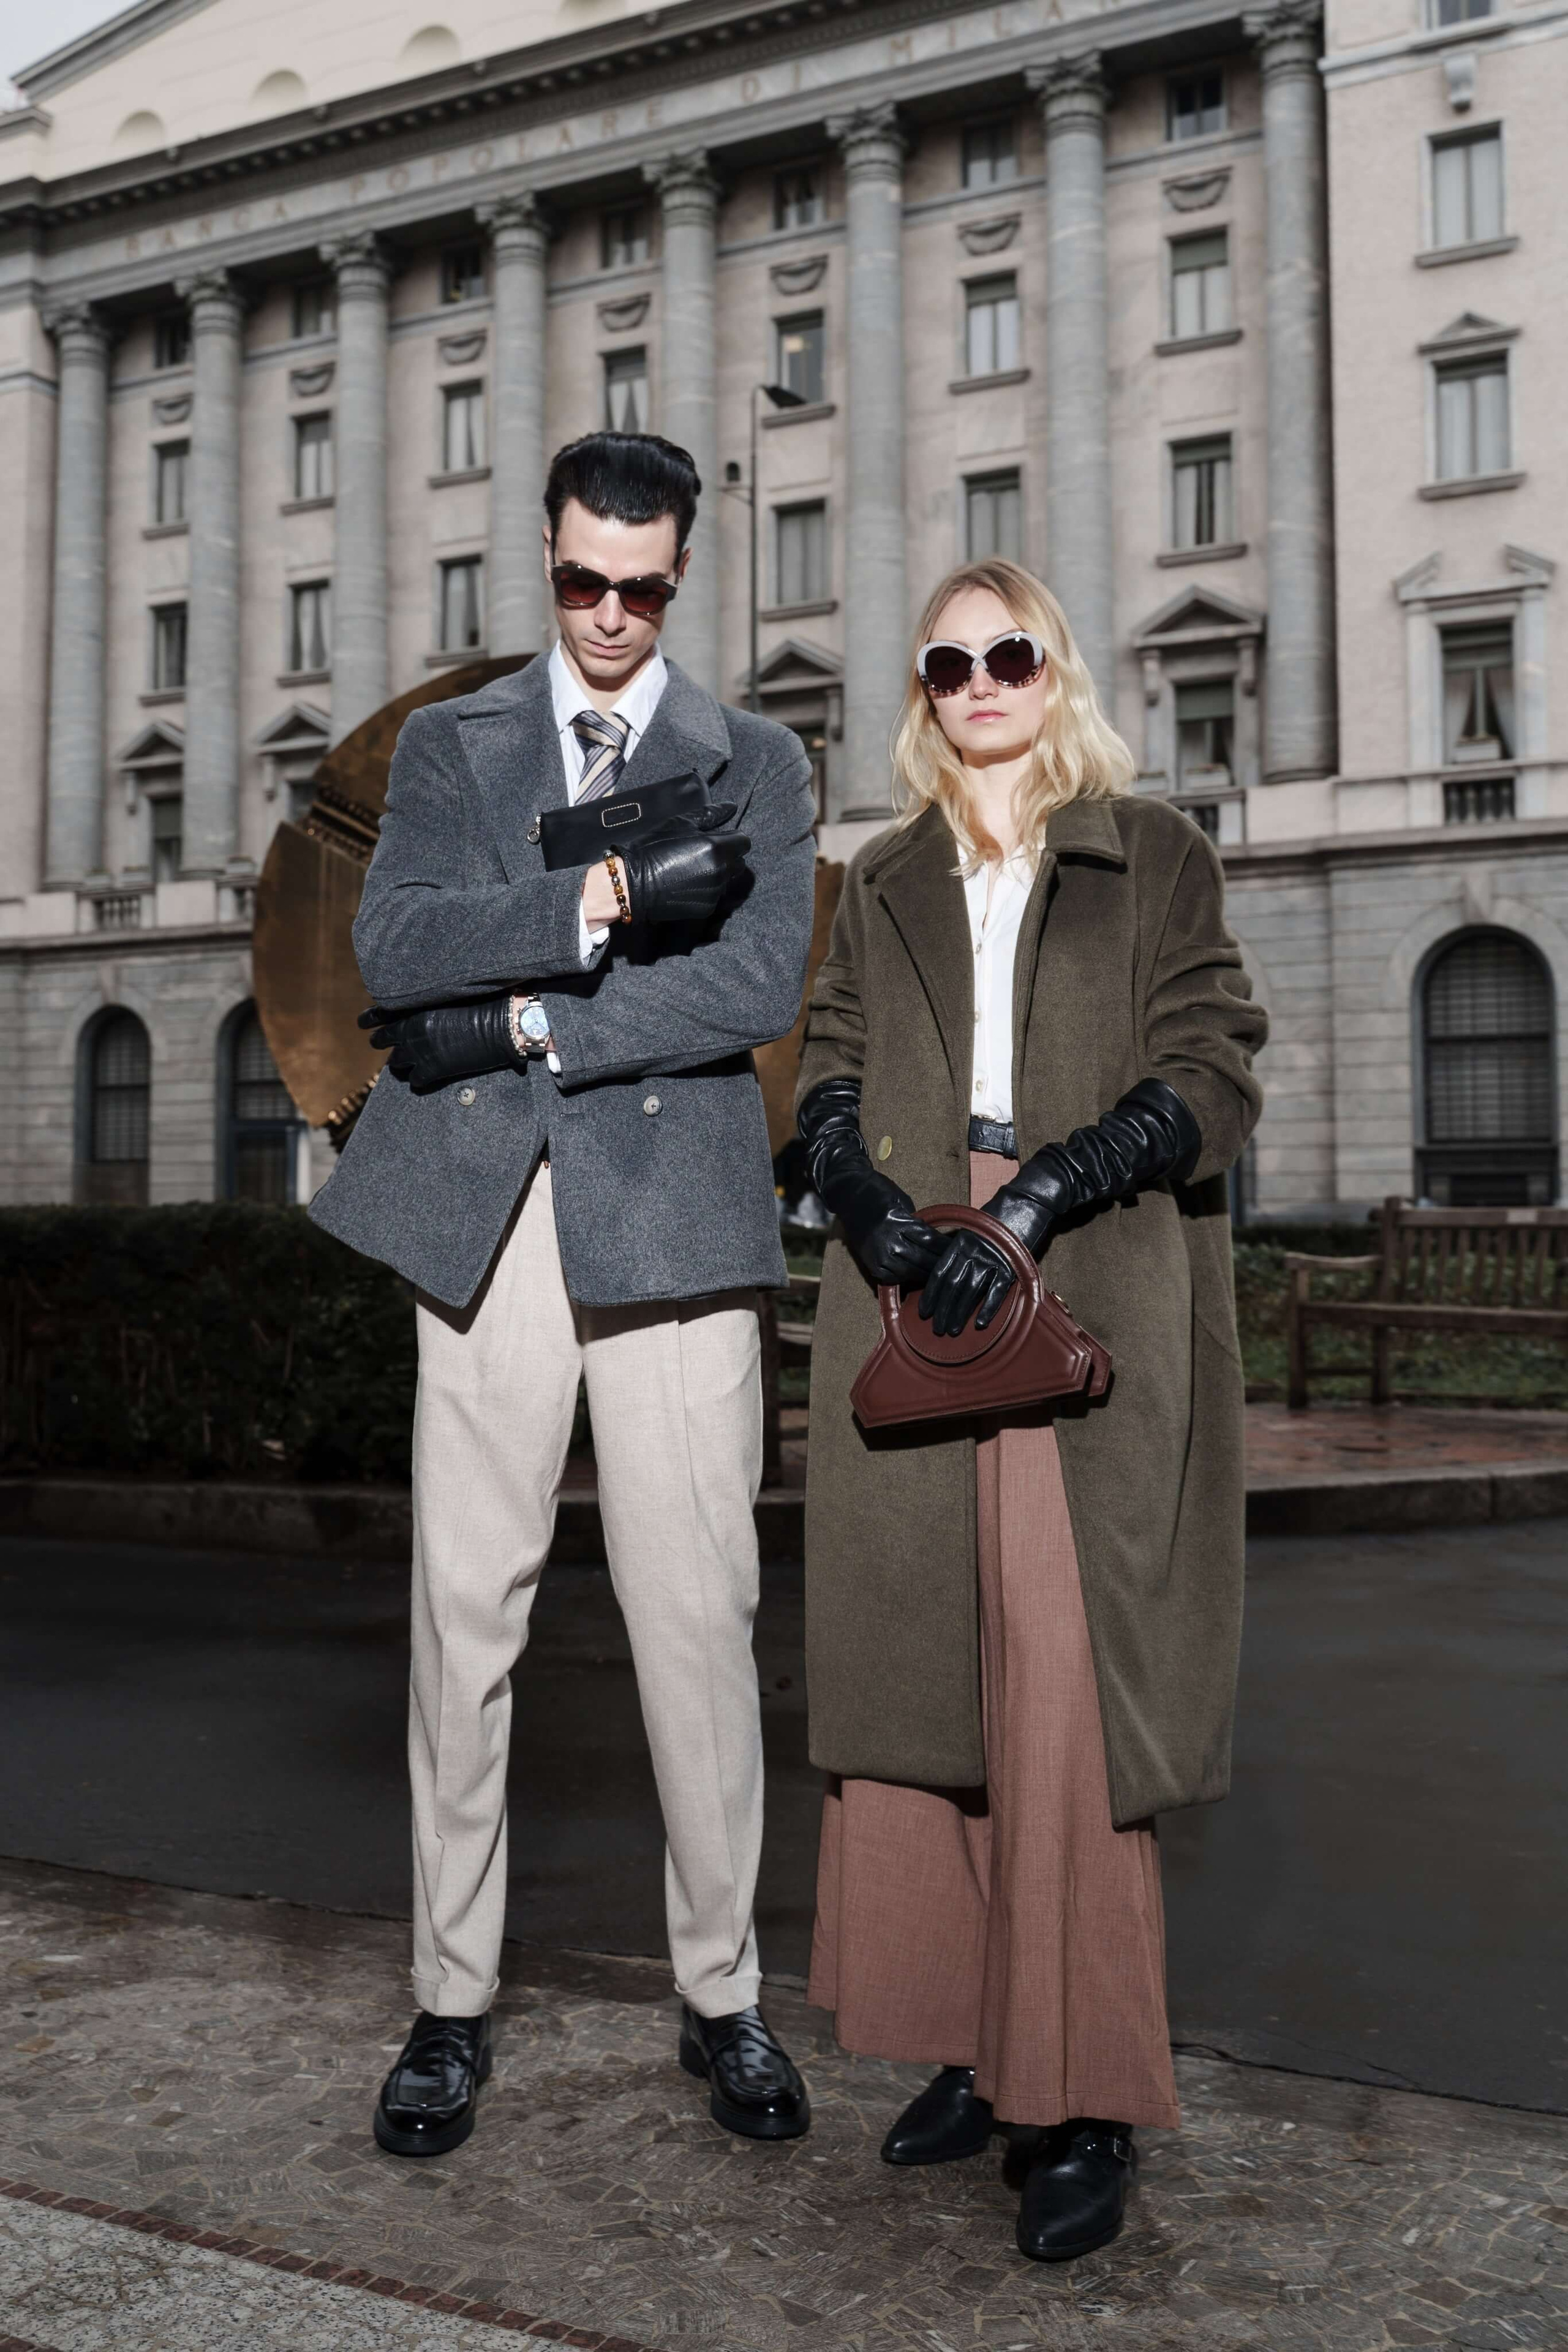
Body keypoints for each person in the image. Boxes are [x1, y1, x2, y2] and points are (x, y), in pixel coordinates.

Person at [309, 431, 818, 2159]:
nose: (611, 615)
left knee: (698, 1626)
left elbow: (748, 987)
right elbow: (392, 953)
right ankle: (451, 2005)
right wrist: (597, 897)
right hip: (486, 1218)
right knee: (468, 1624)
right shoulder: (455, 746)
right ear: (546, 557)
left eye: (645, 585)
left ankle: (725, 1997)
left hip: (676, 1219)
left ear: (684, 574)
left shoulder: (753, 760)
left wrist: (528, 1015)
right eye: (583, 580)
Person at [794, 557, 1267, 2263]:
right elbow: (828, 1053)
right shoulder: (883, 872)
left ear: (1056, 670)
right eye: (947, 664)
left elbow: (1216, 1064)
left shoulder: (1156, 851)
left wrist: (1057, 1185)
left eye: (1009, 654)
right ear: (919, 693)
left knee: (1064, 1695)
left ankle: (1076, 2097)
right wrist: (856, 1191)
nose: (979, 683)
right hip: (918, 1280)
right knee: (935, 1684)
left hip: (1091, 1286)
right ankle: (979, 2060)